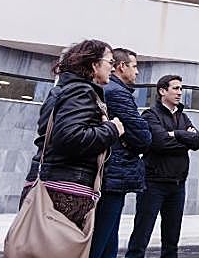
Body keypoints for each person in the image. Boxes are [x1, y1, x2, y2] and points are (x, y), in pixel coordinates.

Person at [21, 39, 125, 230]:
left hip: (51, 184)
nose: (113, 68)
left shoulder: (62, 90)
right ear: (94, 64)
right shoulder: (80, 91)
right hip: (65, 191)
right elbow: (70, 137)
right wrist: (112, 129)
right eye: (110, 62)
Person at [126, 75, 199, 258]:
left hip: (177, 185)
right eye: (175, 88)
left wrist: (175, 134)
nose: (180, 93)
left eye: (181, 89)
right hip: (153, 184)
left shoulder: (183, 116)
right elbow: (160, 142)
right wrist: (185, 138)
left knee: (171, 240)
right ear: (162, 91)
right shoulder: (150, 115)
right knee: (141, 236)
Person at [89, 48, 152, 258]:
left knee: (107, 237)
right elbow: (143, 138)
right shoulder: (117, 93)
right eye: (134, 66)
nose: (137, 72)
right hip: (114, 173)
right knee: (102, 239)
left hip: (112, 173)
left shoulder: (110, 90)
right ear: (122, 66)